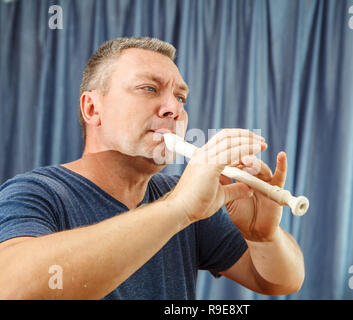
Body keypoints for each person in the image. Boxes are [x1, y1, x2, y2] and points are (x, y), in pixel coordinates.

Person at [0, 37, 304, 299]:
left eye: (181, 97)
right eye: (148, 88)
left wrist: (263, 236)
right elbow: (11, 287)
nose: (174, 109)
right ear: (92, 108)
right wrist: (178, 209)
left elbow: (279, 282)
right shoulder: (35, 192)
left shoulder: (181, 194)